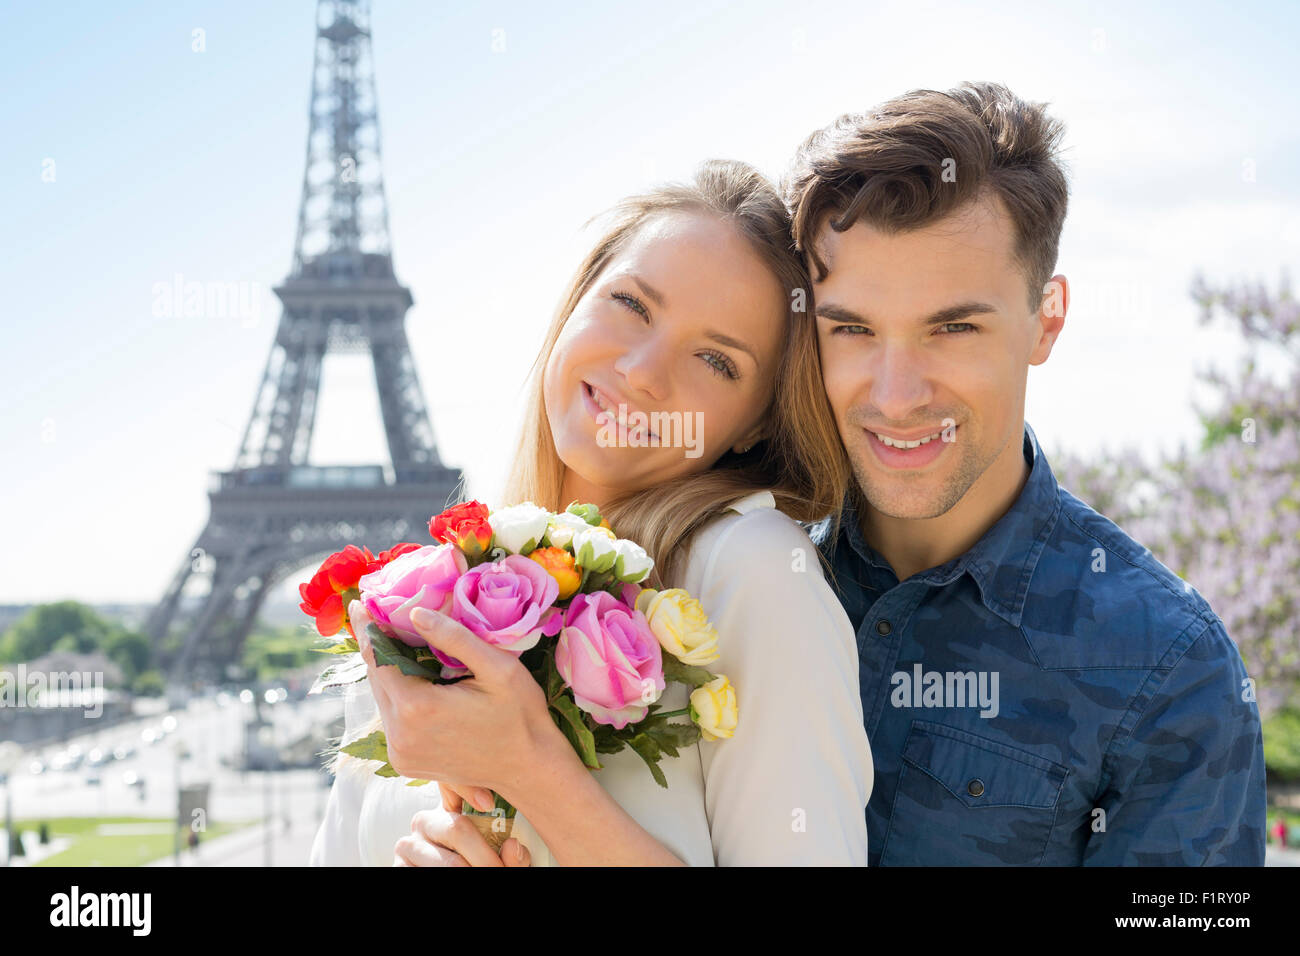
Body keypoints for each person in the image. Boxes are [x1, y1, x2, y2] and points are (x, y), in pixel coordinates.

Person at [309, 159, 873, 867]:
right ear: (576, 300)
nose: (643, 370)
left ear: (755, 426)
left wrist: (536, 775)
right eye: (632, 304)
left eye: (716, 360)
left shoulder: (753, 571)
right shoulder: (437, 589)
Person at [785, 81, 1266, 865]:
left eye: (953, 327)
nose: (896, 395)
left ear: (1048, 317)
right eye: (853, 329)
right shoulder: (727, 565)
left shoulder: (1173, 667)